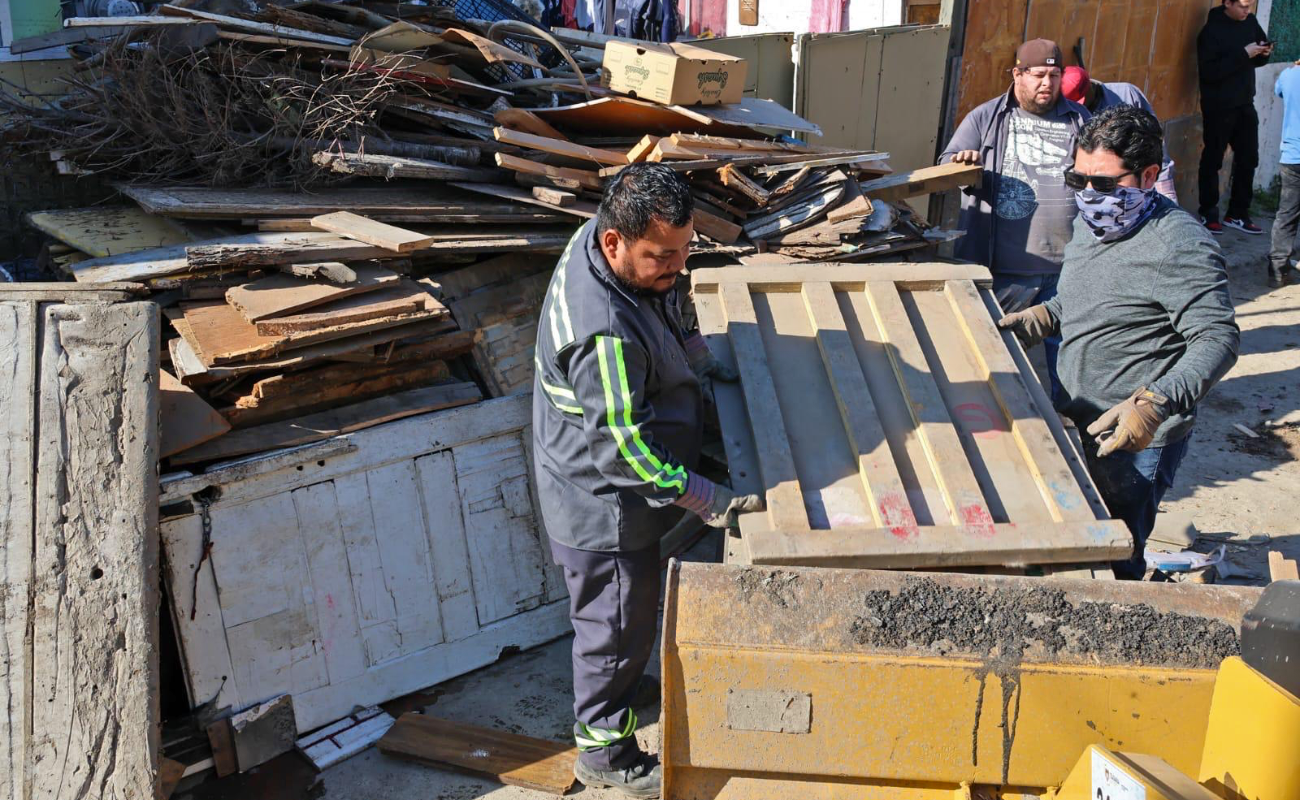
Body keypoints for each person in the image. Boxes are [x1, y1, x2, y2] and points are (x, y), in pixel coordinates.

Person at [531, 162, 762, 798]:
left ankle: (625, 687)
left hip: (613, 481)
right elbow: (623, 454)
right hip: (600, 502)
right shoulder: (603, 331)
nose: (678, 267)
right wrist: (709, 500)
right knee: (612, 627)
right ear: (616, 243)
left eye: (685, 250)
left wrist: (698, 357)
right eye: (663, 256)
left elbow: (665, 299)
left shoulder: (612, 245)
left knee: (624, 624)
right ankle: (604, 752)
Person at [998, 105, 1240, 580]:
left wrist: (1153, 404)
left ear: (1149, 176)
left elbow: (1218, 338)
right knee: (1072, 540)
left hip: (1133, 438)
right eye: (1078, 180)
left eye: (1105, 183)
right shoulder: (1095, 223)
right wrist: (1043, 317)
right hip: (1077, 417)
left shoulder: (1180, 245)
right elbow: (1084, 297)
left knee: (1112, 560)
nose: (1089, 194)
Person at [939, 38, 1089, 400]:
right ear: (1017, 74)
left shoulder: (1080, 120)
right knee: (989, 355)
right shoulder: (987, 117)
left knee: (1070, 363)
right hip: (1002, 271)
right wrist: (963, 163)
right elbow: (945, 164)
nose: (1047, 84)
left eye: (1055, 75)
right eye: (1038, 75)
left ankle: (1072, 425)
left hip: (1066, 268)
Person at [1196, 0, 1272, 235]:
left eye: (1250, 6)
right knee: (1213, 159)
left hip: (1245, 103)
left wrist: (1263, 53)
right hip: (1219, 106)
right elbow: (1209, 72)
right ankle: (1208, 213)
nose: (1247, 11)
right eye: (1243, 6)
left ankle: (1238, 213)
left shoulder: (1250, 22)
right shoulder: (1211, 31)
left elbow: (1257, 58)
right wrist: (1244, 54)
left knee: (1249, 158)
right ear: (1227, 3)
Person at [1061, 66, 1178, 201]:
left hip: (1133, 189)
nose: (1077, 108)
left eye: (1079, 103)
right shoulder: (1066, 114)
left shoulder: (1127, 95)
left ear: (1090, 87)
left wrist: (1167, 194)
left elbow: (1156, 144)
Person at [1268, 60, 1300, 287]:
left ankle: (1278, 269)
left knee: (1287, 213)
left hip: (1291, 156)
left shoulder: (1288, 75)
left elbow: (1279, 91)